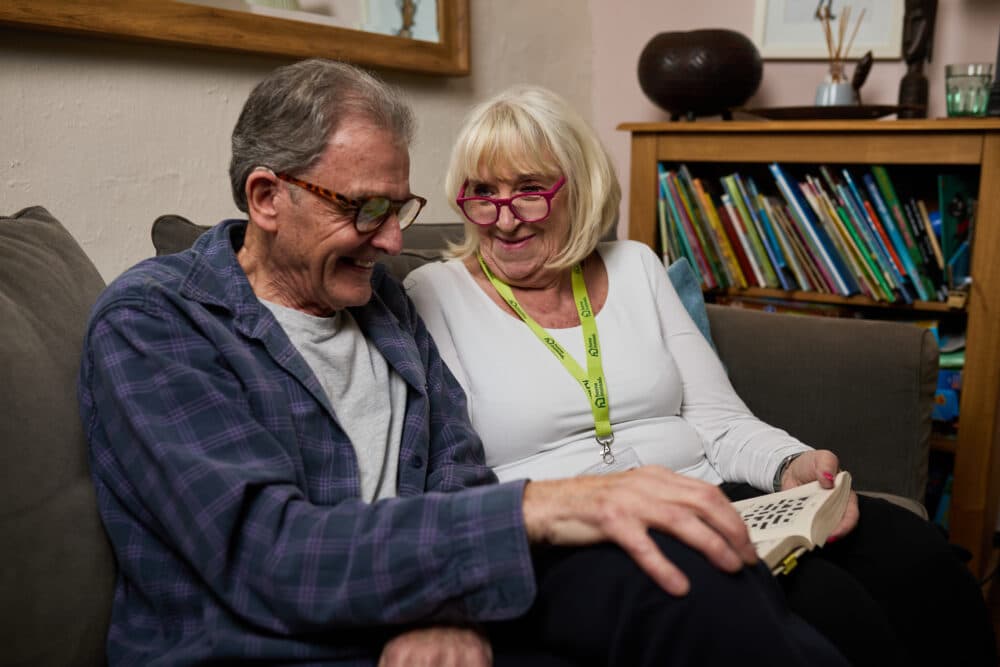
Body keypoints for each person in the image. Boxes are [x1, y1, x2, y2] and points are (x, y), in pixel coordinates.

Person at [78, 59, 852, 666]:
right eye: (366, 209)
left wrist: (448, 604)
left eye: (398, 208)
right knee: (690, 590)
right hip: (282, 646)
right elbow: (273, 552)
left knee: (716, 588)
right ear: (266, 196)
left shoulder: (379, 306)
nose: (392, 242)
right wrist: (542, 508)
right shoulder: (157, 324)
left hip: (426, 612)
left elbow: (454, 467)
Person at [404, 85, 997, 667]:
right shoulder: (434, 293)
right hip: (585, 530)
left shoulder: (634, 266)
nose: (504, 219)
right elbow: (451, 471)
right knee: (828, 601)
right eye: (483, 193)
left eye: (529, 191)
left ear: (579, 189)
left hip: (708, 495)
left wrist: (791, 465)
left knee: (917, 557)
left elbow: (717, 420)